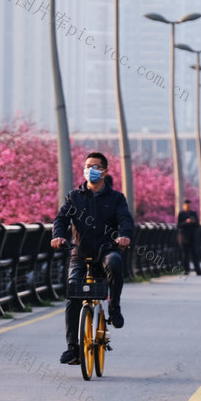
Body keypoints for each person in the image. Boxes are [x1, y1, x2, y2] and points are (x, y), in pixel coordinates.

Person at [50, 152, 133, 365]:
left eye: (95, 166)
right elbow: (61, 219)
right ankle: (73, 347)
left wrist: (124, 236)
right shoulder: (73, 197)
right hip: (79, 251)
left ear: (104, 171)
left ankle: (114, 307)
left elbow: (125, 220)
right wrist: (58, 235)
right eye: (87, 166)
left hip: (106, 250)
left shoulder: (116, 198)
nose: (90, 170)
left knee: (114, 263)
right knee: (73, 291)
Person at [177, 199, 201, 276]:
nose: (188, 207)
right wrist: (186, 222)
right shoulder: (181, 214)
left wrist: (193, 221)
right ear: (184, 206)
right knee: (185, 255)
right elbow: (179, 225)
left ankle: (198, 270)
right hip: (184, 237)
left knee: (195, 254)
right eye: (187, 206)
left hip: (193, 237)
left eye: (190, 206)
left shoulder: (193, 213)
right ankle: (186, 270)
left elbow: (197, 224)